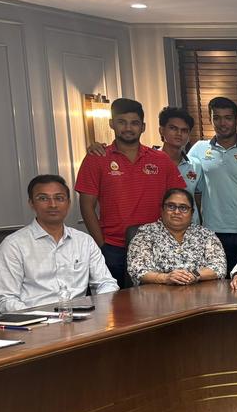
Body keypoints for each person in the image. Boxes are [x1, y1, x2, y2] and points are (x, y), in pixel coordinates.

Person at [75, 97, 185, 288]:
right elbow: (86, 206)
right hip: (114, 248)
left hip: (155, 245)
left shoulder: (161, 160)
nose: (128, 128)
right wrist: (102, 245)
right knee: (115, 302)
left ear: (143, 127)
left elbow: (178, 201)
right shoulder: (96, 159)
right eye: (122, 122)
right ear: (112, 124)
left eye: (134, 123)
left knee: (158, 300)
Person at [0, 175, 117, 313]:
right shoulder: (13, 245)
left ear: (68, 203)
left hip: (81, 318)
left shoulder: (85, 241)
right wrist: (42, 317)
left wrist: (98, 310)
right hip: (35, 321)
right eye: (43, 198)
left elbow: (106, 283)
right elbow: (6, 300)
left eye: (59, 198)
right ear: (31, 203)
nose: (52, 205)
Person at [188, 97, 237, 271]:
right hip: (212, 231)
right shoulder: (199, 149)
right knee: (215, 282)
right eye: (217, 118)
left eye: (228, 118)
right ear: (210, 119)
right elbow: (186, 182)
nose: (222, 123)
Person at [126, 188, 227, 286]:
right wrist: (166, 278)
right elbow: (138, 269)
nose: (177, 212)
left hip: (199, 293)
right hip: (157, 293)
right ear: (162, 209)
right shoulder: (145, 233)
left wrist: (194, 275)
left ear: (192, 213)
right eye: (171, 206)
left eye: (183, 208)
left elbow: (219, 266)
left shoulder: (205, 234)